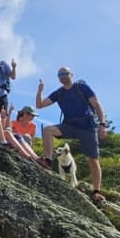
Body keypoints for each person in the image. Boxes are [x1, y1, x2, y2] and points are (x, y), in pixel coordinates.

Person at [35, 67, 108, 204]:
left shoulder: (82, 88)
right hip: (69, 126)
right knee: (47, 130)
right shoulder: (59, 93)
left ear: (71, 75)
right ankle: (48, 161)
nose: (63, 76)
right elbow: (39, 105)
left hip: (87, 126)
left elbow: (97, 105)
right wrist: (40, 90)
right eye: (60, 75)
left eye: (65, 74)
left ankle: (96, 192)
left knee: (93, 160)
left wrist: (102, 124)